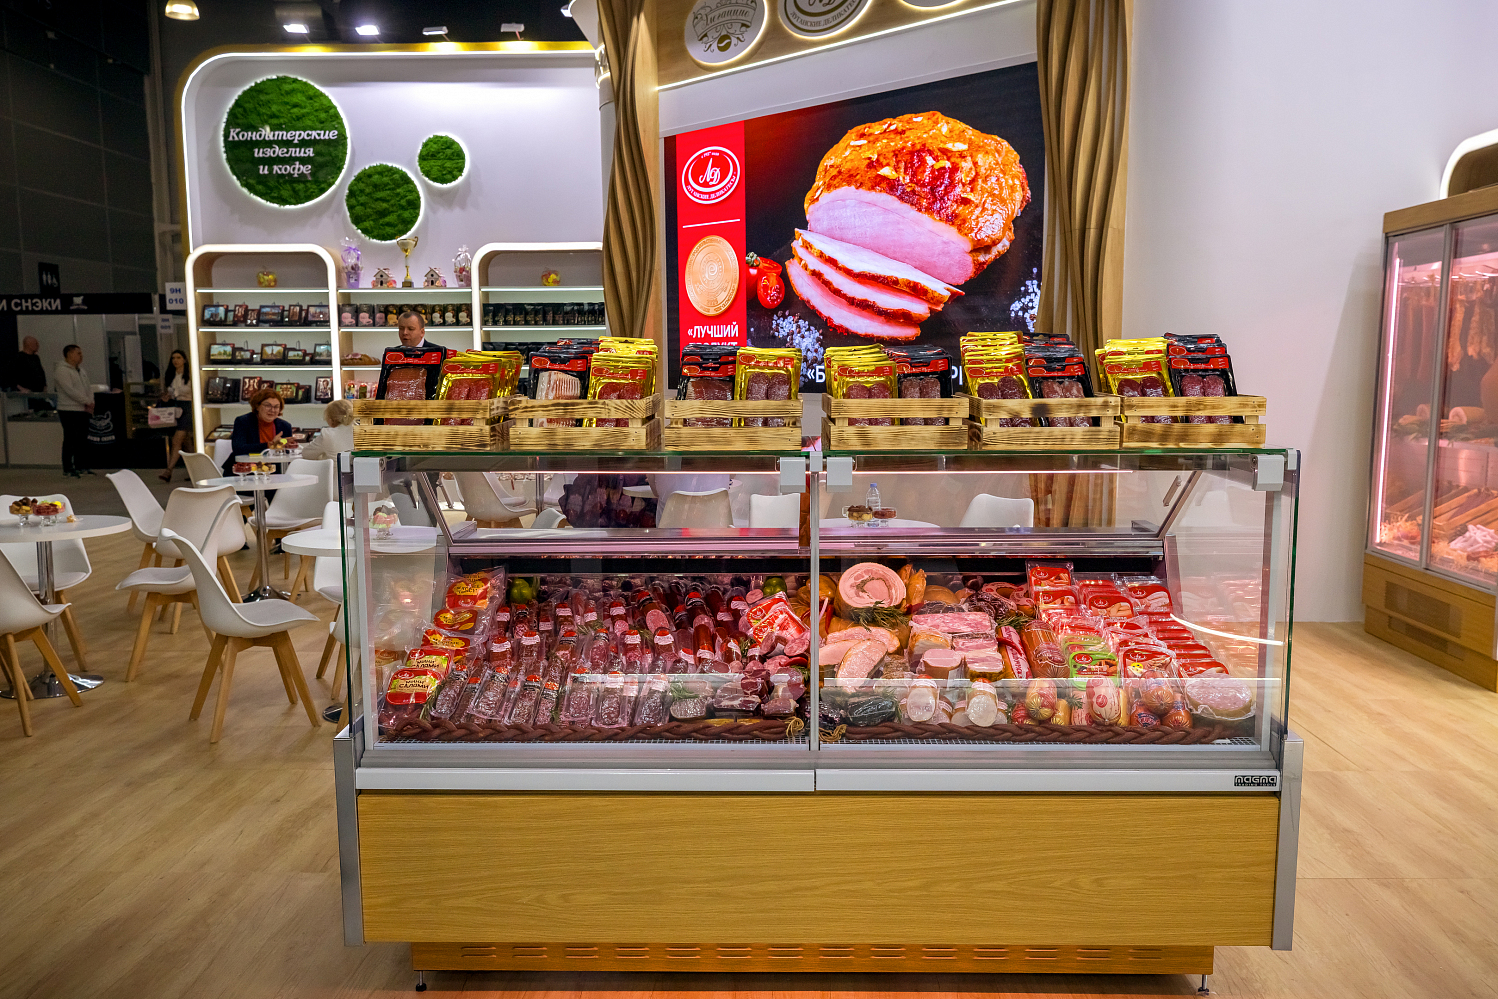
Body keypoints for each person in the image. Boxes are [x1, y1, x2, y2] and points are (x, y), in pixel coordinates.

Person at [224, 388, 293, 477]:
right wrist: (269, 445)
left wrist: (285, 445)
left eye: (276, 407)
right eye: (268, 405)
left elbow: (286, 455)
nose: (272, 410)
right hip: (243, 473)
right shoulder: (243, 422)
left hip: (273, 473)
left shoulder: (285, 426)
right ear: (257, 406)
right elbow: (239, 449)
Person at [54, 344, 94, 478]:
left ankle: (81, 465)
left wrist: (90, 401)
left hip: (83, 409)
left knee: (82, 438)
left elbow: (88, 387)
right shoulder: (61, 371)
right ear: (69, 354)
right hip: (68, 409)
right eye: (78, 353)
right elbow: (70, 390)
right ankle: (68, 467)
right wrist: (86, 401)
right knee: (70, 438)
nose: (81, 356)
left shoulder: (81, 371)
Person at [158, 349, 193, 482]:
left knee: (177, 440)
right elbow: (172, 393)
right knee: (186, 442)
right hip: (177, 407)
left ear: (184, 359)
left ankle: (169, 470)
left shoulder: (190, 375)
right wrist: (167, 397)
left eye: (178, 357)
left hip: (188, 407)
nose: (175, 360)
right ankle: (196, 471)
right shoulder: (171, 375)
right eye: (173, 358)